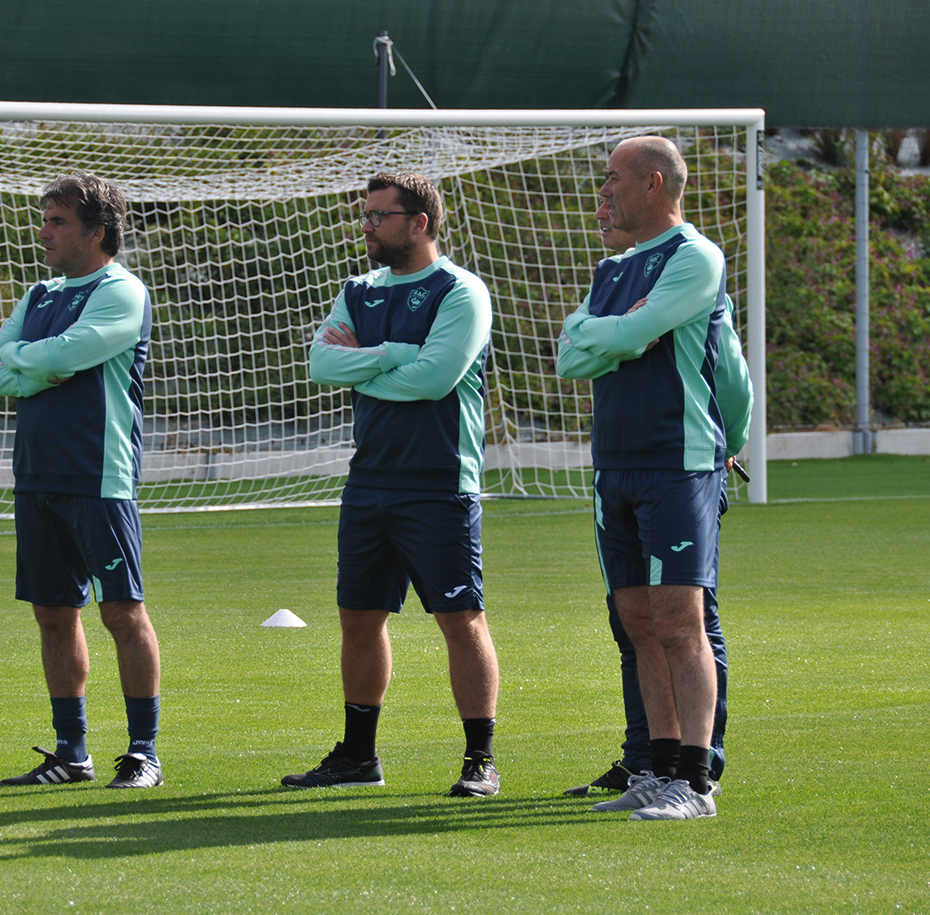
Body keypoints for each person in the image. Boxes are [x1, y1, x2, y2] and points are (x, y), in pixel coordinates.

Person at [281, 172, 501, 797]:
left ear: (420, 222)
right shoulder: (359, 291)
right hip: (370, 483)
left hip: (439, 485)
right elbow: (322, 363)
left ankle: (479, 760)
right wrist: (393, 354)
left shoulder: (461, 292)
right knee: (358, 619)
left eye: (380, 215)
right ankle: (357, 757)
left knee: (461, 620)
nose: (367, 226)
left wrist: (370, 359)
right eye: (367, 214)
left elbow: (436, 380)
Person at [553, 136, 733, 820]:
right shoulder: (610, 270)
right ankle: (657, 767)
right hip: (615, 465)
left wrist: (616, 334)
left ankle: (695, 780)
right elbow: (571, 356)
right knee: (635, 621)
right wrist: (615, 332)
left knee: (679, 620)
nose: (604, 193)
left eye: (613, 180)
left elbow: (636, 335)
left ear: (653, 184)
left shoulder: (696, 256)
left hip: (677, 462)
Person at [0, 172, 164, 790]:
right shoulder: (39, 295)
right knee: (54, 615)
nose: (44, 231)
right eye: (45, 218)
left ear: (96, 232)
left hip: (98, 475)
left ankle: (142, 754)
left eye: (57, 221)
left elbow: (53, 358)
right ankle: (71, 753)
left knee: (122, 612)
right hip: (35, 476)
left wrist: (32, 362)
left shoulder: (121, 291)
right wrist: (39, 368)